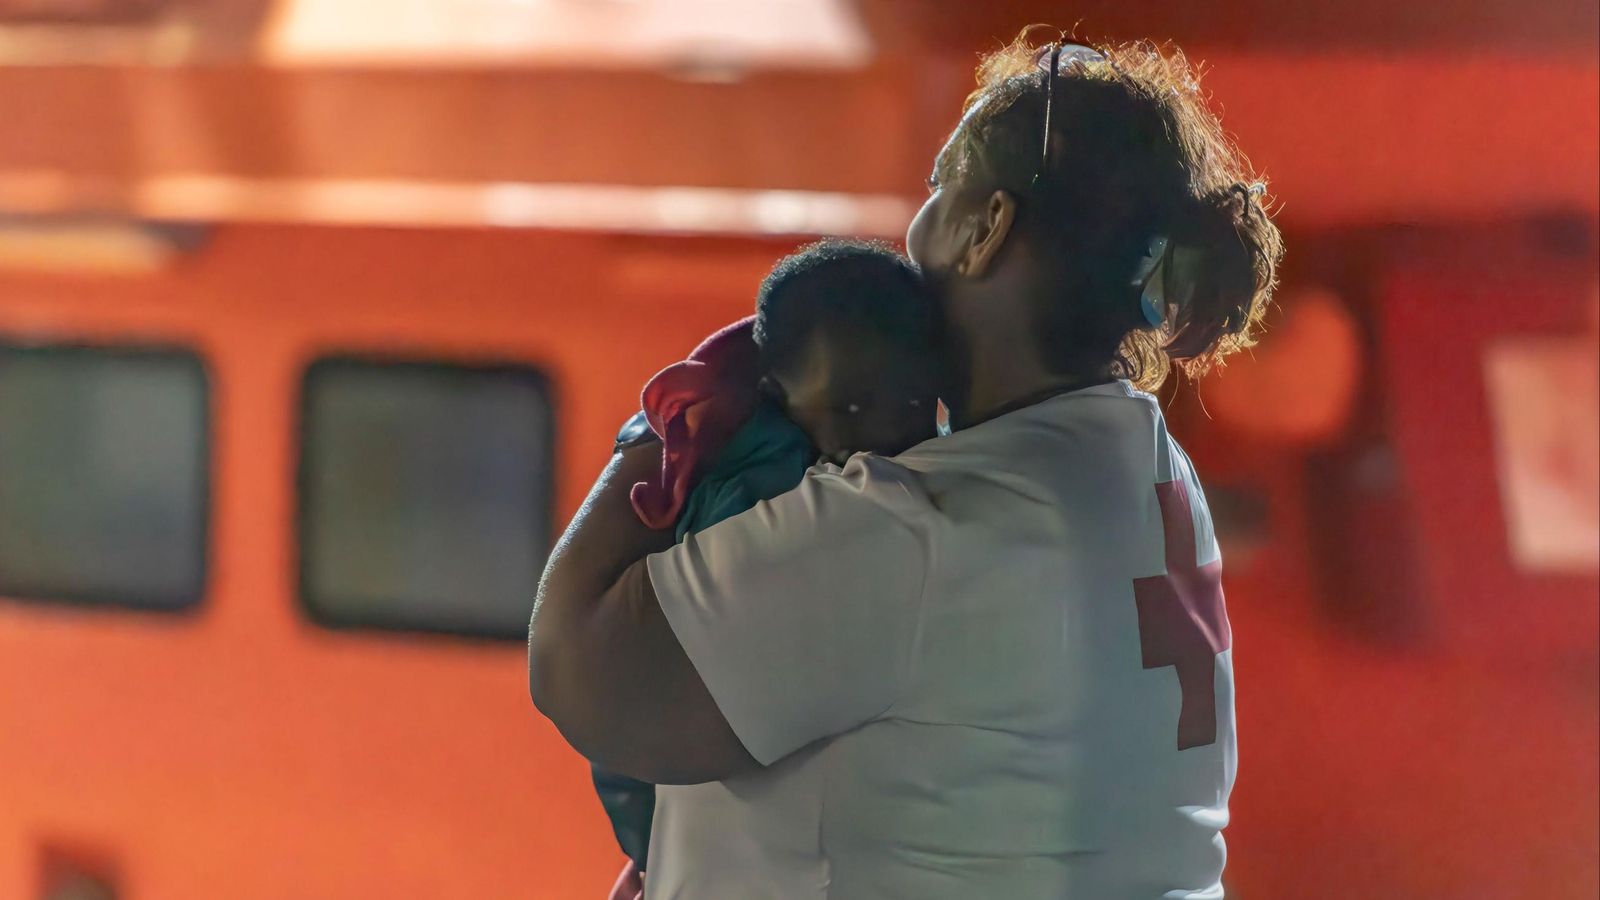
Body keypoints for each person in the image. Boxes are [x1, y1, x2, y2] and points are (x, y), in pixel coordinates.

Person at [531, 31, 1283, 899]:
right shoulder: (1148, 479)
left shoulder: (927, 527)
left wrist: (684, 413)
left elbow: (580, 665)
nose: (912, 228)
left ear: (984, 229)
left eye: (938, 189)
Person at [590, 240, 938, 898]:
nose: (879, 432)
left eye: (914, 406)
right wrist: (648, 851)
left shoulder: (900, 487)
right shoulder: (759, 493)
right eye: (849, 410)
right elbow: (637, 715)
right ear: (779, 396)